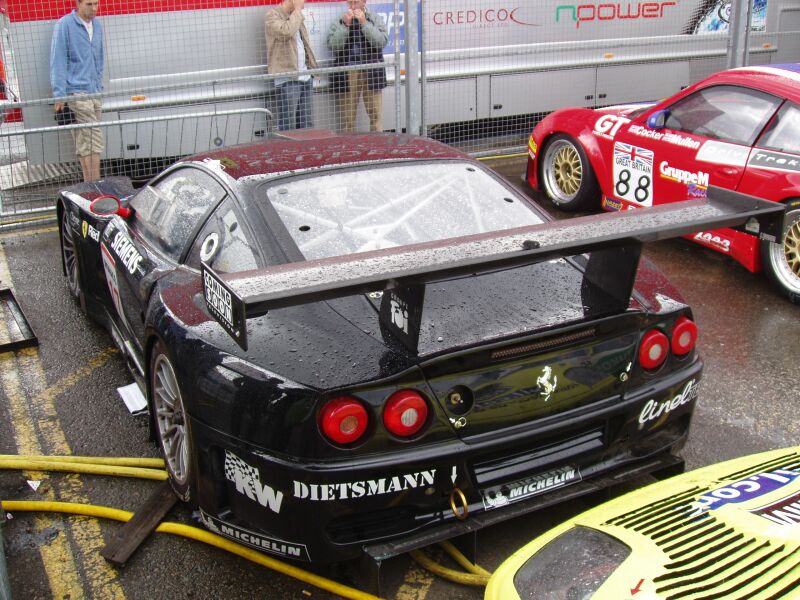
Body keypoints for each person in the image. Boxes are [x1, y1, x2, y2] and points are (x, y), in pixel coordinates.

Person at [50, 0, 104, 182]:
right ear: (78, 4)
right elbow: (58, 60)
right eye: (89, 4)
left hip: (94, 90)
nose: (94, 8)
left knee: (84, 142)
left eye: (96, 4)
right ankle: (95, 185)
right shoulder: (65, 25)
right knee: (93, 140)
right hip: (76, 91)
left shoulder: (96, 25)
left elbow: (99, 57)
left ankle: (89, 186)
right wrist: (59, 94)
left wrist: (98, 82)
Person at [327, 0, 388, 132]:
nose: (353, 7)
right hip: (348, 72)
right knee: (348, 119)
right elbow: (333, 45)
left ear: (364, 2)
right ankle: (349, 149)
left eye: (356, 3)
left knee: (376, 116)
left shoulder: (373, 18)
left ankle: (377, 147)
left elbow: (381, 41)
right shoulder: (340, 20)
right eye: (350, 3)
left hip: (371, 71)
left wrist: (364, 23)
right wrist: (345, 25)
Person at [265, 0, 318, 131]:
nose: (304, 2)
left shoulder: (295, 16)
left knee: (307, 123)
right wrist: (298, 11)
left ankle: (307, 150)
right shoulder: (272, 16)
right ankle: (288, 150)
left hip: (305, 76)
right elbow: (286, 32)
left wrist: (313, 68)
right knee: (288, 124)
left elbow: (305, 44)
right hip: (287, 78)